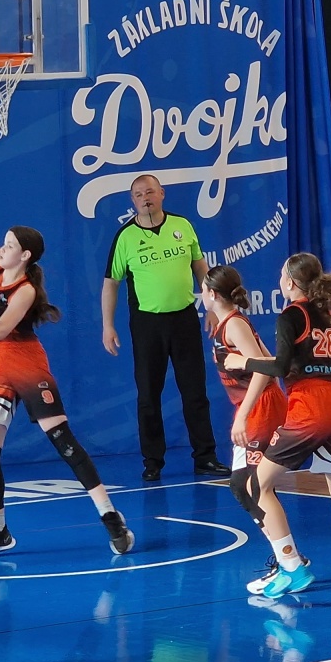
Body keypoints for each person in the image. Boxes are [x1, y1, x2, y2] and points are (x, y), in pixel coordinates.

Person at [0, 146, 134, 561]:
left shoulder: (26, 290)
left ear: (25, 255)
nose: (2, 247)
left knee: (63, 441)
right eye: (4, 243)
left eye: (9, 244)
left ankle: (110, 515)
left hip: (27, 363)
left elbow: (1, 329)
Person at [222, 253, 331, 601]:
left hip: (310, 407)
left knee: (256, 486)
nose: (279, 279)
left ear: (291, 282)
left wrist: (242, 361)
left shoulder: (291, 315)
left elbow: (281, 368)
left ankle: (292, 567)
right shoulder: (328, 314)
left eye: (282, 274)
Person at [100, 174, 227, 482]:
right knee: (148, 394)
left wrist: (211, 307)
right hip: (147, 324)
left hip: (184, 318)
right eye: (138, 194)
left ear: (162, 194)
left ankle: (205, 457)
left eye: (150, 192)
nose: (145, 198)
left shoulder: (182, 226)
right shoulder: (125, 237)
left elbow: (201, 267)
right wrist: (107, 325)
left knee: (195, 391)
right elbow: (111, 283)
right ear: (133, 201)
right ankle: (152, 461)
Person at [202, 264, 290, 502]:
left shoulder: (234, 324)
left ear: (213, 294)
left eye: (203, 289)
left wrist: (243, 417)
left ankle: (275, 528)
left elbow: (263, 371)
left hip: (261, 406)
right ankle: (273, 526)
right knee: (247, 485)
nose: (201, 294)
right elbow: (268, 361)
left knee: (251, 485)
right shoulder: (230, 323)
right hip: (255, 404)